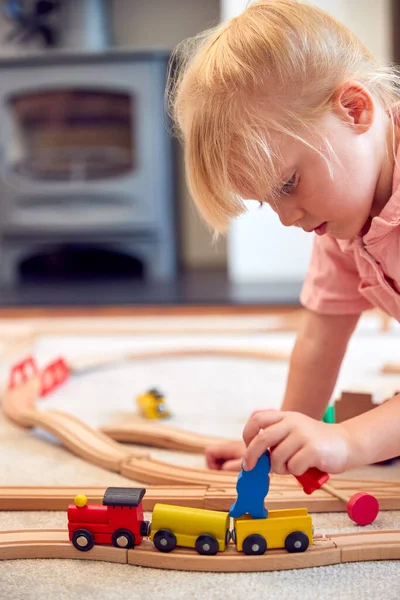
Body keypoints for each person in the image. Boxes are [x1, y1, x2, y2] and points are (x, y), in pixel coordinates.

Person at [167, 0, 400, 476]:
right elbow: (320, 336)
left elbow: (348, 439)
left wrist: (347, 440)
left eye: (288, 184)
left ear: (354, 110)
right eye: (267, 201)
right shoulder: (341, 224)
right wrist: (286, 440)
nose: (287, 217)